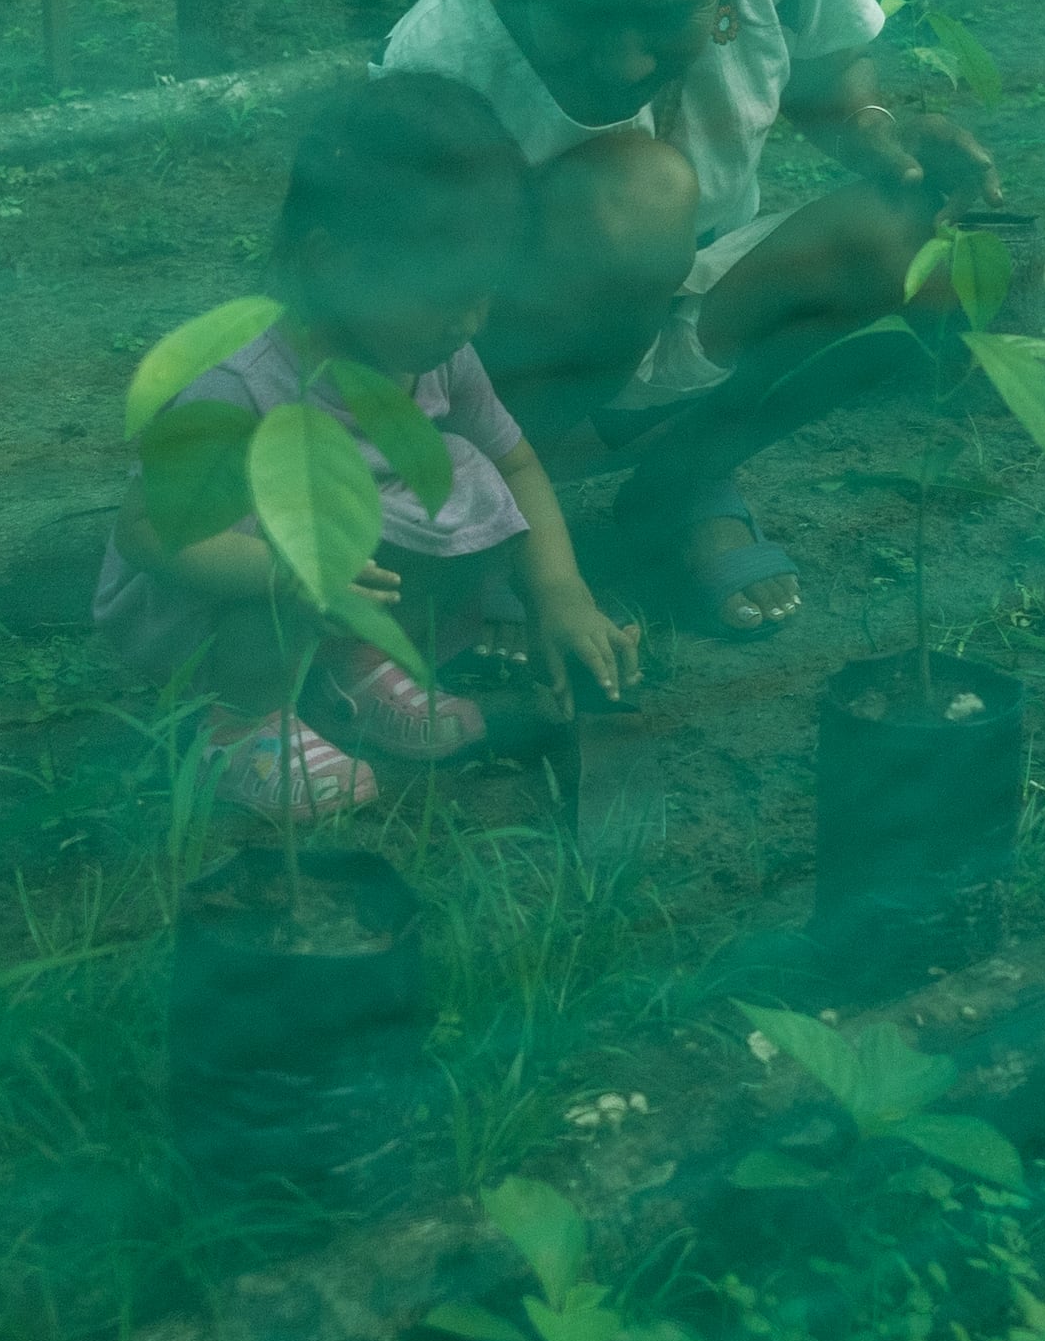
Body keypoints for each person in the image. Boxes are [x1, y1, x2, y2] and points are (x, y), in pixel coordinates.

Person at [377, 0, 1002, 636]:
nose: (625, 54)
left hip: (694, 306)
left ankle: (682, 482)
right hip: (504, 369)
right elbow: (392, 315)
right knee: (637, 198)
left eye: (664, 12)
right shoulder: (448, 57)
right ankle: (496, 527)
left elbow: (831, 82)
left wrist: (886, 140)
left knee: (924, 248)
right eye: (587, 6)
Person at [94, 75, 640, 820]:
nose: (470, 321)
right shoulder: (242, 381)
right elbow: (147, 528)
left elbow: (515, 462)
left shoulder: (433, 351)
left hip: (339, 575)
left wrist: (560, 593)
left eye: (487, 292)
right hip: (213, 599)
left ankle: (354, 666)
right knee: (295, 530)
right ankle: (239, 719)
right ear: (331, 262)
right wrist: (291, 575)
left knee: (463, 474)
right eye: (447, 293)